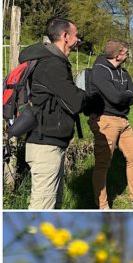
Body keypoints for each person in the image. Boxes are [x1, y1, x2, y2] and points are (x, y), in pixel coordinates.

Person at [18, 18, 86, 209]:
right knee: (42, 207)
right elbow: (75, 101)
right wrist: (86, 94)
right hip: (45, 144)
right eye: (76, 35)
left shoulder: (53, 62)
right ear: (65, 36)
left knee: (54, 204)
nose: (78, 39)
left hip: (50, 141)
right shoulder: (51, 65)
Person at [88, 41, 133, 209]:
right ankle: (102, 206)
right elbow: (116, 98)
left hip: (123, 120)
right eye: (126, 53)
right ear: (118, 55)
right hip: (105, 120)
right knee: (103, 163)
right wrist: (125, 95)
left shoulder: (123, 72)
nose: (128, 55)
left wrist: (123, 95)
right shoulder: (99, 71)